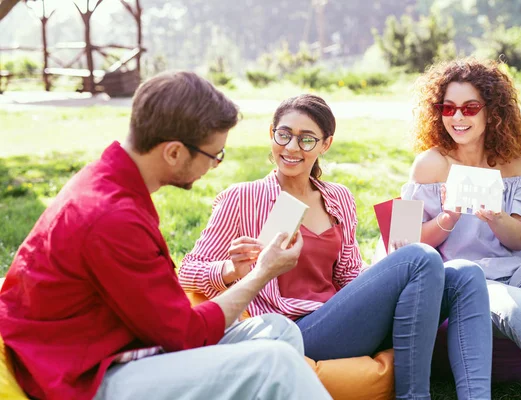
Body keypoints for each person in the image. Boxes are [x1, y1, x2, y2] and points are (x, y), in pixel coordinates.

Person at [0, 72, 332, 400]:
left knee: (277, 330)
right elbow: (186, 334)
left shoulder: (111, 180)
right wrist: (263, 273)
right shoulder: (111, 217)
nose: (215, 165)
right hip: (83, 376)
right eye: (213, 155)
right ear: (173, 152)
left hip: (118, 343)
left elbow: (170, 318)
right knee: (274, 363)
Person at [179, 94, 493, 400]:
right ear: (271, 135)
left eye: (306, 139)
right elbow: (188, 272)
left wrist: (391, 270)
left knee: (465, 274)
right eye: (284, 135)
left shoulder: (338, 198)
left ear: (325, 144)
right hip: (297, 330)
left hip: (344, 321)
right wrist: (231, 269)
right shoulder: (242, 198)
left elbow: (348, 277)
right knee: (420, 257)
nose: (291, 147)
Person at [402, 57, 521, 399]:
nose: (458, 117)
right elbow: (401, 241)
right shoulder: (428, 165)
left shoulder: (518, 163)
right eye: (448, 108)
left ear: (492, 112)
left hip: (517, 270)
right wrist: (447, 218)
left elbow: (520, 239)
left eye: (469, 107)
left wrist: (496, 217)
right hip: (465, 283)